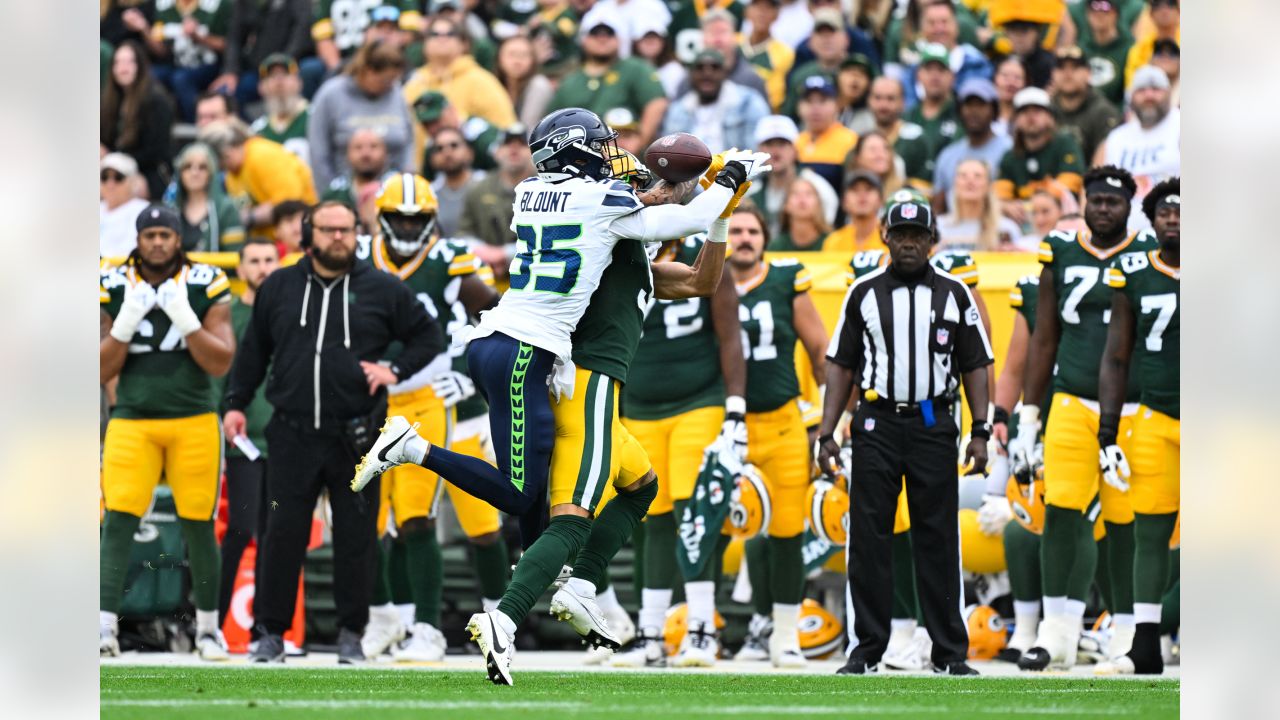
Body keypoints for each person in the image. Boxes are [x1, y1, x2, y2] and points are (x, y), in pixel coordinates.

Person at [348, 109, 770, 683]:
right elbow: (669, 215)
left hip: (542, 361)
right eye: (619, 164)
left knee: (639, 486)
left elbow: (702, 280)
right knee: (562, 518)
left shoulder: (578, 214)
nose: (624, 168)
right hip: (582, 383)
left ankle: (583, 587)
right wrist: (720, 186)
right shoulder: (613, 225)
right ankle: (510, 615)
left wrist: (723, 210)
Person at [223, 199, 445, 664]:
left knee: (357, 538)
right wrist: (235, 404)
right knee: (281, 533)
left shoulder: (383, 288)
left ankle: (351, 634)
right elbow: (253, 351)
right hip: (292, 430)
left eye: (346, 229)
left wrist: (395, 369)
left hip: (358, 435)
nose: (338, 237)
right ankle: (270, 634)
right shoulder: (279, 285)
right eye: (328, 229)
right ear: (310, 232)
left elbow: (430, 336)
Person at [818, 198, 993, 676]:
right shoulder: (863, 292)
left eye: (918, 235)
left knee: (937, 535)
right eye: (901, 235)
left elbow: (977, 364)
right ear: (885, 237)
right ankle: (867, 648)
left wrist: (981, 431)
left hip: (934, 422)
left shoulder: (956, 293)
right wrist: (827, 430)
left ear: (933, 240)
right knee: (869, 536)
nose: (909, 243)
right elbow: (841, 364)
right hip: (875, 421)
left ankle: (949, 652)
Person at [356, 174, 510, 663]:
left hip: (429, 397)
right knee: (373, 523)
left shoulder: (450, 260)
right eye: (398, 217)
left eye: (415, 218)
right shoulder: (357, 256)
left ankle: (439, 626)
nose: (405, 226)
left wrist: (470, 374)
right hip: (369, 401)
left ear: (432, 219)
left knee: (419, 515)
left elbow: (498, 317)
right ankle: (394, 621)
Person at [1007, 166, 1154, 672]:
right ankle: (1057, 634)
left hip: (1135, 407)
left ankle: (1127, 632)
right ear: (1085, 203)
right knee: (1061, 512)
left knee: (1124, 522)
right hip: (1071, 400)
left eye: (1114, 202)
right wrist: (1029, 417)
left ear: (1130, 207)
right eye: (1096, 201)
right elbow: (1043, 339)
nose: (1104, 209)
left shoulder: (1149, 255)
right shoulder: (1061, 251)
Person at [611, 171, 748, 669]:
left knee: (699, 513)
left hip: (698, 399)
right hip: (640, 405)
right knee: (654, 518)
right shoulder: (621, 250)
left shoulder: (701, 249)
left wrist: (735, 405)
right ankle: (650, 632)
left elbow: (730, 333)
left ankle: (700, 626)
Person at [99, 205, 236, 660]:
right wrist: (123, 325)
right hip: (133, 419)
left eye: (165, 234)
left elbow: (220, 361)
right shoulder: (113, 281)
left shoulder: (206, 281)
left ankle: (209, 629)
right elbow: (99, 367)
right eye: (150, 234)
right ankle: (103, 627)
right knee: (117, 520)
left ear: (179, 238)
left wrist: (187, 319)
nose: (158, 242)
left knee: (199, 525)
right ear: (138, 238)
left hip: (193, 417)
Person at [722, 203, 831, 667]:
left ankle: (783, 635)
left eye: (753, 230)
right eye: (736, 230)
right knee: (710, 529)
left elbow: (821, 351)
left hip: (784, 421)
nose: (745, 237)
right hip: (727, 425)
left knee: (787, 531)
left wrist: (832, 419)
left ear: (766, 238)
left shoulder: (787, 281)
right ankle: (702, 628)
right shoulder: (706, 281)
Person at [1095, 178, 1180, 676]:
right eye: (1165, 211)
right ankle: (1145, 645)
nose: (1175, 218)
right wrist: (1108, 431)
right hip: (1154, 416)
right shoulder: (1133, 272)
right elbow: (1116, 355)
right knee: (1150, 533)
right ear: (1150, 220)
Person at [214, 239, 280, 627]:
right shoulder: (231, 317)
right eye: (254, 261)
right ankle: (214, 625)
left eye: (269, 259)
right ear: (240, 270)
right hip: (243, 443)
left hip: (286, 442)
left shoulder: (292, 313)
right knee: (240, 530)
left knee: (279, 535)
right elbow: (218, 378)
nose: (262, 267)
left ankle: (270, 629)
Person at [403, 16, 518, 163]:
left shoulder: (481, 80)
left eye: (450, 34)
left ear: (463, 43)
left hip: (472, 173)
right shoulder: (414, 83)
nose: (442, 39)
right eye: (434, 34)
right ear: (424, 43)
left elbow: (506, 130)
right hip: (421, 173)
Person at [308, 40, 415, 194]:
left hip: (394, 193)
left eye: (394, 80)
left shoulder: (396, 93)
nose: (390, 85)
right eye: (385, 80)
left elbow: (408, 143)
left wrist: (407, 186)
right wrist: (332, 195)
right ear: (367, 71)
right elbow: (319, 152)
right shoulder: (331, 95)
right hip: (345, 192)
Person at [547, 15, 668, 147]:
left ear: (619, 40)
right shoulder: (571, 80)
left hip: (624, 149)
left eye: (609, 34)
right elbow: (552, 123)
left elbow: (657, 103)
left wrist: (639, 143)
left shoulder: (635, 68)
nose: (602, 39)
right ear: (584, 39)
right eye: (595, 33)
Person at [198, 118, 317, 238]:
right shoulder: (231, 176)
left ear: (226, 153)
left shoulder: (261, 156)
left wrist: (250, 217)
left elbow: (290, 206)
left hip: (299, 236)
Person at [1097, 66, 1180, 229]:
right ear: (1131, 97)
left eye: (1156, 89)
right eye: (1141, 90)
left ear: (1169, 93)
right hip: (1126, 239)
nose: (1149, 95)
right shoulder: (1117, 138)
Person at [995, 87, 1086, 226]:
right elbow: (997, 196)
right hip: (1024, 225)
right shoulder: (1010, 157)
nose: (1031, 117)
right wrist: (1006, 207)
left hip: (1064, 221)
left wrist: (1033, 204)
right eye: (1024, 112)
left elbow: (1071, 185)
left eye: (1037, 111)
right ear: (1016, 120)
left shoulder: (1065, 143)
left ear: (1050, 117)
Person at [101, 40, 174, 200]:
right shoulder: (109, 101)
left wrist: (114, 158)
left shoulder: (156, 100)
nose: (123, 67)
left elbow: (155, 151)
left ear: (140, 66)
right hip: (113, 168)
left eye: (129, 62)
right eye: (118, 62)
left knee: (119, 187)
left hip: (150, 172)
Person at [663, 49, 771, 155]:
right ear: (690, 74)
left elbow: (756, 154)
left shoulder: (748, 103)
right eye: (700, 68)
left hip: (735, 171)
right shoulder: (678, 110)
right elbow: (668, 154)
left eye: (715, 67)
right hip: (690, 171)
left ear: (725, 73)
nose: (707, 74)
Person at [211, 0, 313, 110]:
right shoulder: (247, 3)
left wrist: (280, 65)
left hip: (293, 65)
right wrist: (231, 71)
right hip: (258, 67)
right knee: (226, 93)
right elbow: (235, 37)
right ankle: (253, 126)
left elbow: (302, 33)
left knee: (308, 72)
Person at [145, 0, 231, 123]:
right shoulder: (162, 5)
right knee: (150, 75)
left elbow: (229, 44)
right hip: (174, 63)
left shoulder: (220, 5)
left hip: (209, 65)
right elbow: (161, 50)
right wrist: (144, 29)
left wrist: (197, 36)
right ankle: (154, 123)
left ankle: (196, 123)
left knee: (182, 79)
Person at [932, 78, 1011, 209]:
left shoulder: (1009, 149)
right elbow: (938, 209)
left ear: (994, 110)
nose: (974, 111)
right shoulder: (947, 155)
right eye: (968, 105)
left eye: (981, 105)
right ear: (960, 110)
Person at [673, 8, 770, 105]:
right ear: (702, 38)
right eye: (712, 32)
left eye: (723, 32)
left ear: (735, 37)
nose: (717, 39)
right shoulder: (690, 80)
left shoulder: (751, 80)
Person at [460, 125, 536, 249]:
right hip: (487, 265)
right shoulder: (478, 189)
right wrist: (483, 251)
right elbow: (464, 232)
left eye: (521, 144)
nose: (514, 148)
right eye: (507, 143)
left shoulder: (547, 186)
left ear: (532, 153)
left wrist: (506, 254)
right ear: (496, 152)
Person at [1052, 46, 1122, 168]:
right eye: (1061, 68)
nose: (1067, 74)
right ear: (1053, 74)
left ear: (1088, 73)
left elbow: (1109, 159)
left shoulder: (1103, 111)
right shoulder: (1046, 110)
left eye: (1075, 67)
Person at [169, 142, 246, 252]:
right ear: (180, 173)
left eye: (202, 167)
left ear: (211, 173)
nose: (195, 172)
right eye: (188, 167)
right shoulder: (171, 209)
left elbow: (235, 253)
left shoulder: (226, 208)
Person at [320, 129, 396, 232]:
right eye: (358, 147)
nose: (366, 153)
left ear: (385, 152)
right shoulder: (335, 193)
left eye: (373, 146)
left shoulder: (397, 188)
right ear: (347, 154)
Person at [937, 159, 1022, 251]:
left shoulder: (1006, 228)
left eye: (977, 176)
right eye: (963, 175)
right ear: (955, 184)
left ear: (988, 186)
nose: (970, 181)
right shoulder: (939, 227)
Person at [863, 77, 933, 190]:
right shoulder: (862, 138)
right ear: (869, 100)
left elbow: (924, 188)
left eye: (890, 99)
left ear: (902, 102)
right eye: (877, 98)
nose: (883, 105)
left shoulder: (916, 138)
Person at [780, 8, 850, 117]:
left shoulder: (859, 71)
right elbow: (789, 116)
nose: (826, 40)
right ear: (810, 41)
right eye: (821, 33)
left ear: (846, 39)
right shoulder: (800, 76)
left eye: (832, 33)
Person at [794, 76, 859, 193]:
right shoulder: (795, 142)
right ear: (799, 107)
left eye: (823, 101)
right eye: (809, 101)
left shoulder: (850, 141)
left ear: (837, 105)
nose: (815, 108)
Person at [903, 43, 959, 165]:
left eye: (941, 69)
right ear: (919, 75)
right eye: (929, 69)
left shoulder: (961, 115)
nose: (935, 76)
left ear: (952, 76)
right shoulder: (908, 115)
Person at [249, 53, 311, 162]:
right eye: (272, 76)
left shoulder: (314, 117)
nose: (279, 81)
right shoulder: (258, 130)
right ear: (261, 87)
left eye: (285, 74)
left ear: (299, 82)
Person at [426, 126, 485, 239]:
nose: (447, 153)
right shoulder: (429, 194)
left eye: (454, 145)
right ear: (432, 159)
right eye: (439, 148)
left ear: (469, 152)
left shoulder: (486, 184)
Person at [740, 0, 796, 112]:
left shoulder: (785, 53)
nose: (762, 13)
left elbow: (776, 98)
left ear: (777, 14)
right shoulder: (732, 43)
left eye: (768, 8)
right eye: (757, 6)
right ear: (746, 12)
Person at [495, 34, 555, 132]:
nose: (517, 60)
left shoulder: (538, 85)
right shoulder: (492, 85)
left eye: (524, 55)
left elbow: (527, 131)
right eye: (512, 54)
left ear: (533, 60)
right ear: (499, 58)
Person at [100, 153, 151, 258]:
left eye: (118, 177)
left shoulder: (144, 211)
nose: (110, 184)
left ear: (132, 182)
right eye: (104, 177)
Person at [823, 171, 885, 253]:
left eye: (868, 189)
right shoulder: (833, 242)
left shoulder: (890, 239)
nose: (862, 195)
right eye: (855, 190)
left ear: (880, 200)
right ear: (844, 202)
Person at [1124, 0, 1179, 89]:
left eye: (1170, 3)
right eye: (1157, 5)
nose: (1164, 10)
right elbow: (1131, 88)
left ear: (1179, 11)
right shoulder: (1139, 50)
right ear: (1150, 14)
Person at [770, 177, 833, 252]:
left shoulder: (833, 242)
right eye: (795, 194)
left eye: (808, 194)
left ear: (818, 204)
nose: (802, 199)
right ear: (786, 205)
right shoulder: (776, 247)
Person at [845, 131, 905, 197]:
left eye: (885, 149)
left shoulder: (904, 192)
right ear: (858, 157)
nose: (881, 154)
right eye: (873, 149)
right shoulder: (845, 191)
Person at [1001, 19, 1054, 89]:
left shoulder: (1049, 63)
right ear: (1007, 33)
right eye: (1014, 32)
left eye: (1024, 31)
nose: (1019, 38)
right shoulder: (1002, 60)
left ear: (1036, 33)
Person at [837, 54, 876, 134]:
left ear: (869, 84)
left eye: (862, 73)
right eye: (850, 71)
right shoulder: (824, 109)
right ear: (838, 77)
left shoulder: (872, 119)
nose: (855, 77)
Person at [992, 56, 1026, 138]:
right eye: (1005, 76)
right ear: (994, 79)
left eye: (1017, 78)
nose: (1011, 82)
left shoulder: (1027, 120)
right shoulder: (984, 116)